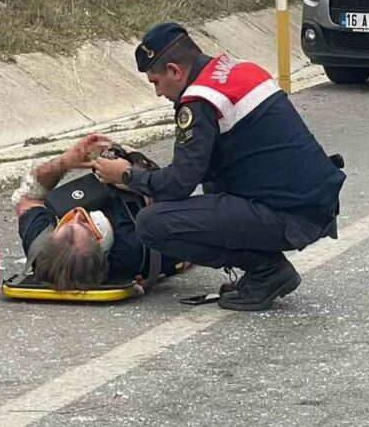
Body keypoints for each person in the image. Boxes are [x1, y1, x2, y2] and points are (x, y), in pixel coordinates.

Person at [92, 22, 346, 311]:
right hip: (312, 202)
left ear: (174, 71)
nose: (158, 93)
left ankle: (266, 270)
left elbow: (178, 185)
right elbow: (200, 167)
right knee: (211, 183)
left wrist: (126, 175)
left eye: (156, 82)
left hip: (290, 215)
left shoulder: (199, 101)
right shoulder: (238, 69)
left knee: (152, 224)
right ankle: (266, 268)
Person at [13, 134, 181, 290]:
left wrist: (64, 163)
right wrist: (131, 177)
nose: (77, 213)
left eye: (66, 222)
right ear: (103, 246)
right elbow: (177, 199)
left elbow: (26, 198)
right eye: (84, 224)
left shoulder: (42, 248)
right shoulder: (134, 249)